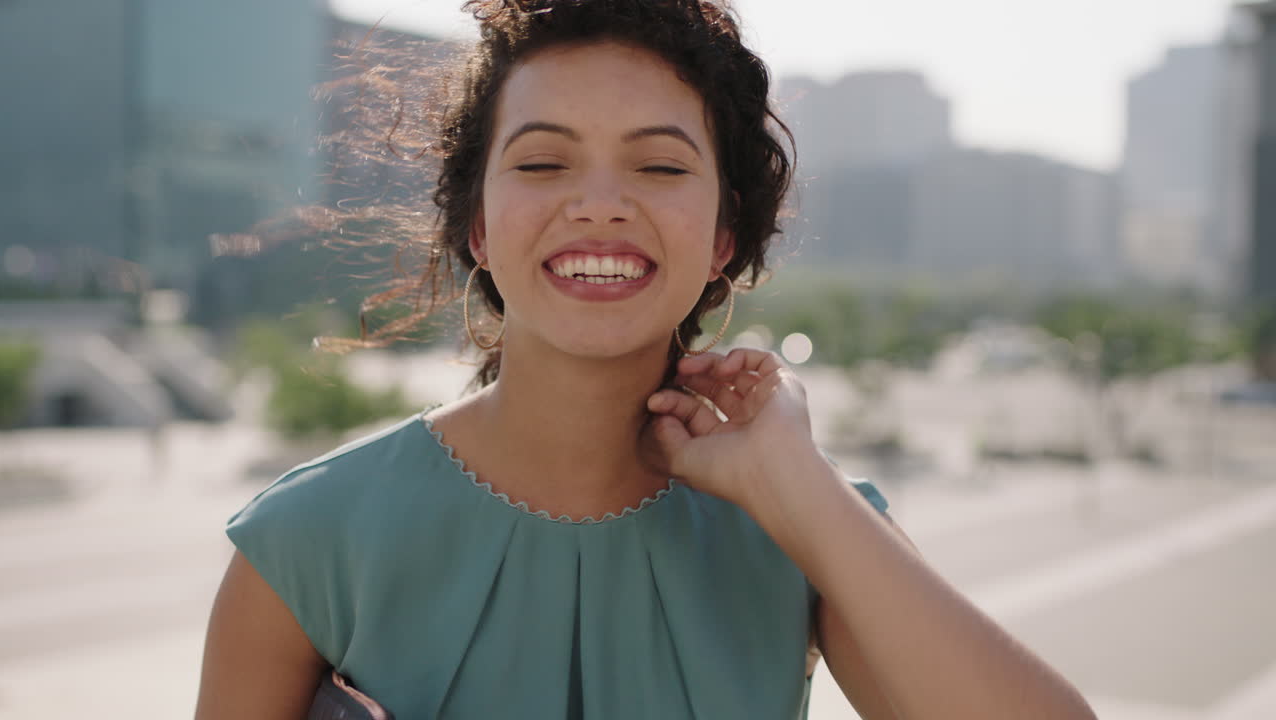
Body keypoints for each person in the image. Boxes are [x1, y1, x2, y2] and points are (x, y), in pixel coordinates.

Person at [195, 1, 1097, 718]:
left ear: (722, 236)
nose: (599, 205)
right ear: (477, 224)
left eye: (661, 169)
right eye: (543, 163)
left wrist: (801, 487)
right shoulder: (308, 543)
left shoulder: (805, 533)